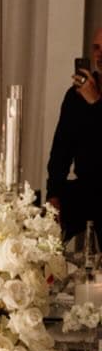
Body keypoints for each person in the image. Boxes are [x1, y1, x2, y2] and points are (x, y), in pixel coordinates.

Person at [46, 26, 102, 245]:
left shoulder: (90, 95)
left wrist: (96, 104)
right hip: (87, 188)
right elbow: (61, 147)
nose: (99, 54)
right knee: (38, 221)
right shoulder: (76, 94)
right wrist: (54, 194)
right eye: (96, 48)